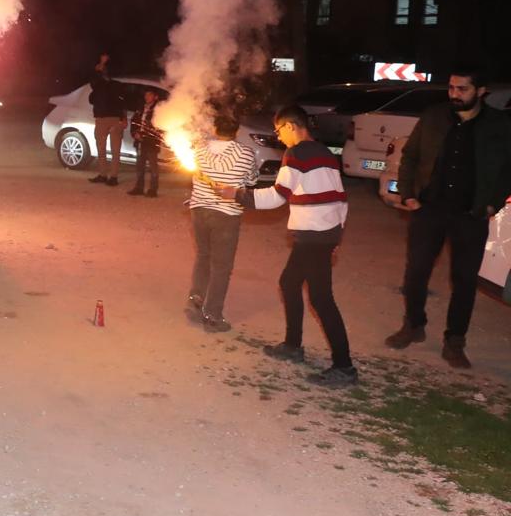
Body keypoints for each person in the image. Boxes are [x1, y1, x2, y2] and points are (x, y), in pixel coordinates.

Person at [206, 105, 357, 387]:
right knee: (289, 283)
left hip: (313, 235)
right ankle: (292, 345)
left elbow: (277, 196)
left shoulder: (296, 154)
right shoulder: (325, 153)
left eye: (278, 130)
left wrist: (236, 194)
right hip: (322, 234)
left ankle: (344, 367)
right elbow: (341, 198)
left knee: (322, 299)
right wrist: (336, 236)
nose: (279, 137)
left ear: (290, 126)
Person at [386, 63, 511, 370]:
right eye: (451, 88)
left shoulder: (499, 124)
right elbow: (410, 155)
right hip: (429, 210)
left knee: (464, 280)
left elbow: (507, 169)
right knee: (415, 272)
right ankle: (413, 325)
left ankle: (455, 340)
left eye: (462, 89)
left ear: (481, 91)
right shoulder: (434, 116)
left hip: (471, 214)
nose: (454, 94)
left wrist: (492, 204)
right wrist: (408, 193)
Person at [185, 112, 258, 332]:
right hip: (226, 214)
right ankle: (213, 315)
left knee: (203, 255)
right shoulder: (245, 153)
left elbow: (194, 175)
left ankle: (196, 299)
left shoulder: (199, 149)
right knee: (222, 266)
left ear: (215, 129)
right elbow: (252, 180)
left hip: (199, 210)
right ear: (237, 130)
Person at [87, 52, 126, 186]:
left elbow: (122, 102)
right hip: (103, 118)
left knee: (114, 150)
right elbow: (93, 81)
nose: (101, 68)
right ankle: (104, 175)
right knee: (102, 149)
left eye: (103, 67)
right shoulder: (98, 84)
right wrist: (101, 64)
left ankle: (113, 177)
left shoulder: (116, 84)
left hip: (114, 119)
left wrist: (123, 118)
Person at [127, 88, 164, 198]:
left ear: (155, 97)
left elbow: (160, 127)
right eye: (146, 95)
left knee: (153, 167)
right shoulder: (141, 108)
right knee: (140, 166)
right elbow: (134, 122)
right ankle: (139, 187)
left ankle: (153, 189)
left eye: (150, 95)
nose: (147, 97)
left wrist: (148, 133)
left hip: (151, 142)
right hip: (140, 142)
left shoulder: (159, 110)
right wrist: (135, 133)